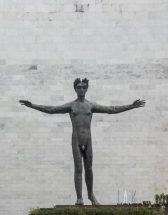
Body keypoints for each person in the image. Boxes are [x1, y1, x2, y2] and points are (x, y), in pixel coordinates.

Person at [19, 78, 145, 206]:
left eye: (83, 87)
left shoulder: (90, 105)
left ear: (87, 89)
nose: (81, 89)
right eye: (78, 87)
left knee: (89, 168)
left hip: (88, 140)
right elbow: (52, 110)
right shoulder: (71, 106)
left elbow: (110, 109)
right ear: (75, 89)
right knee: (78, 168)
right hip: (76, 139)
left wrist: (131, 106)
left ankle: (91, 195)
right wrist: (32, 105)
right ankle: (79, 198)